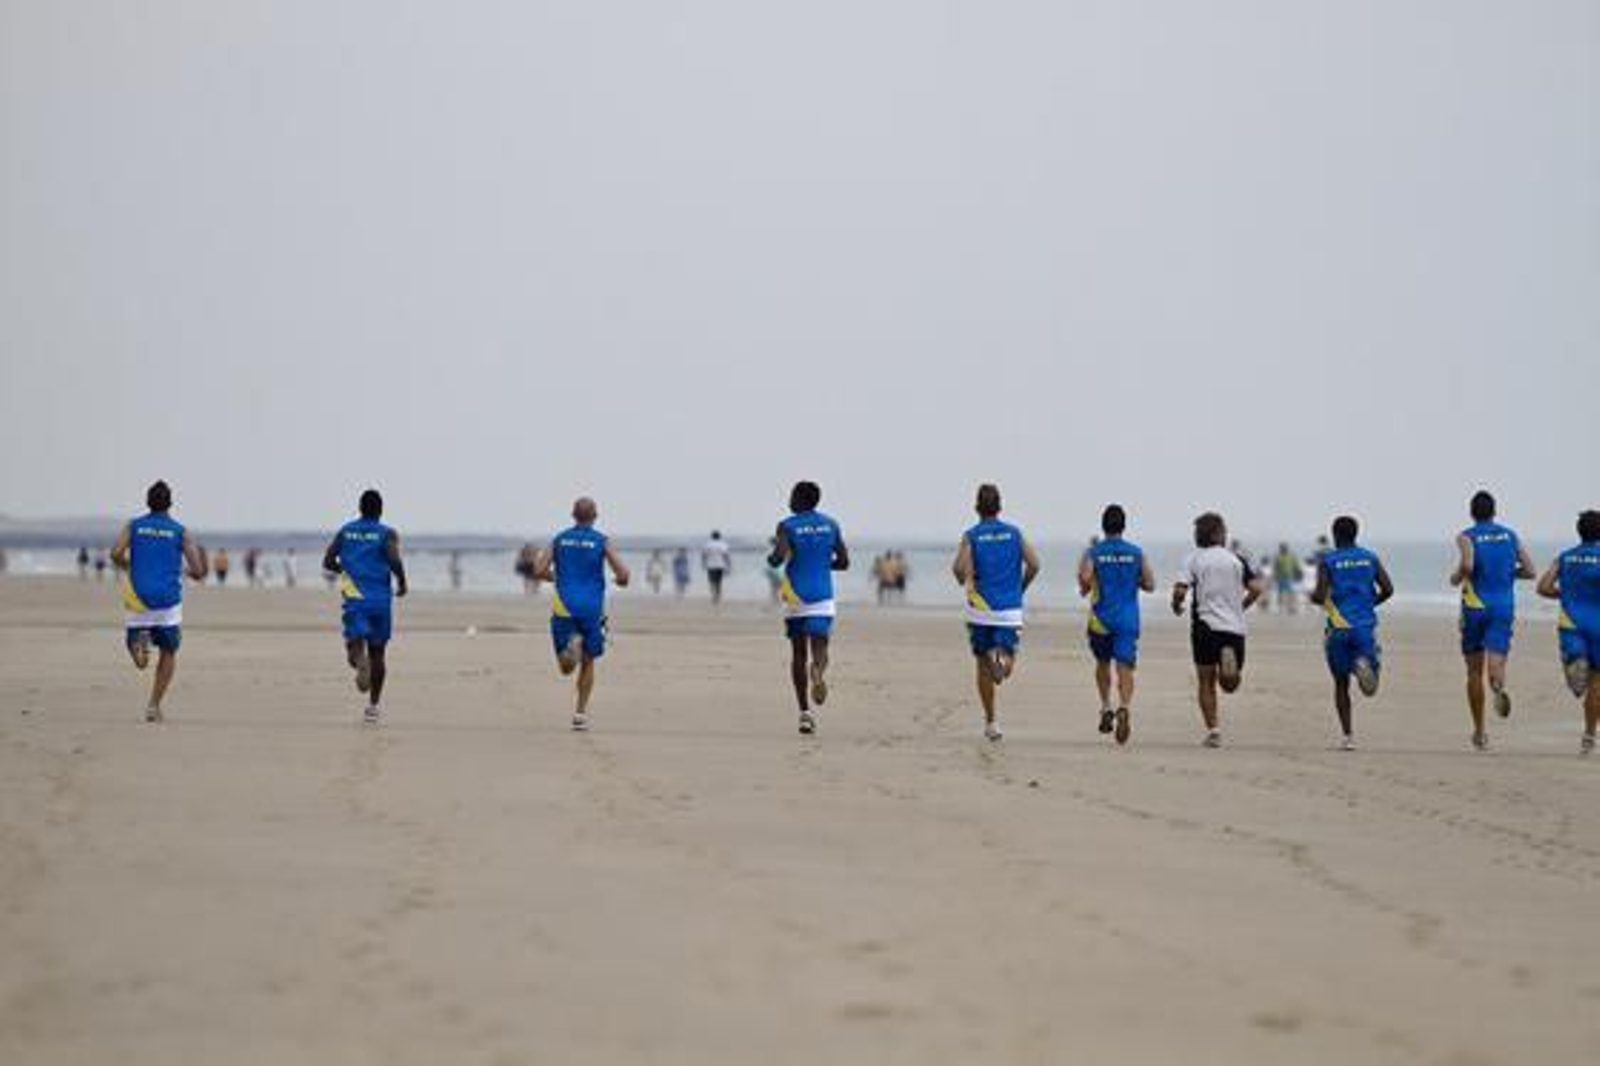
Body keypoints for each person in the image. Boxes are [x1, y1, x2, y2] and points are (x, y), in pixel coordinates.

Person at [109, 480, 208, 722]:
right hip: (167, 601)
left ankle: (138, 646)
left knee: (139, 655)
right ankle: (153, 705)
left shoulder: (134, 526)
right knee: (169, 651)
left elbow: (114, 553)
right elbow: (198, 569)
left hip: (138, 596)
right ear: (170, 504)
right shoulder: (179, 531)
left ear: (148, 502)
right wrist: (192, 572)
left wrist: (129, 566)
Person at [952, 484, 1040, 741]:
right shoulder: (1014, 534)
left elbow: (958, 568)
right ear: (999, 506)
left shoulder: (972, 535)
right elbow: (1035, 564)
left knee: (981, 667)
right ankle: (1000, 660)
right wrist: (1020, 587)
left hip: (980, 609)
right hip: (1009, 610)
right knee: (1006, 662)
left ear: (977, 507)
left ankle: (991, 722)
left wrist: (966, 578)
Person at [534, 497, 630, 731]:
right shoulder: (601, 541)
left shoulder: (559, 539)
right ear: (595, 516)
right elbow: (625, 575)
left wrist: (556, 577)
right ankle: (580, 714)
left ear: (573, 515)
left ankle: (572, 646)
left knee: (566, 667)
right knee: (588, 662)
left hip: (563, 605)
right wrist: (618, 580)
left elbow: (538, 569)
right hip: (591, 607)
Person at [1450, 490, 1536, 751]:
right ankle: (1498, 685)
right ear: (1494, 511)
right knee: (1495, 661)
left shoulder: (1467, 536)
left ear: (1471, 512)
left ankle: (1479, 732)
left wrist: (1456, 578)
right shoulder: (1510, 536)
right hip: (1503, 606)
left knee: (1473, 670)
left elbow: (1467, 566)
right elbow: (1531, 571)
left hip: (1476, 606)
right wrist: (1508, 574)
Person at [1172, 512, 1263, 747]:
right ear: (1219, 534)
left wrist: (1176, 605)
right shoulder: (1236, 560)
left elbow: (1181, 590)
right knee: (1230, 685)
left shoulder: (1192, 559)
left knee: (1205, 681)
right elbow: (1256, 589)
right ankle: (1228, 668)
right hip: (1234, 627)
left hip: (1204, 626)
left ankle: (1214, 731)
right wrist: (1240, 607)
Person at [768, 481, 849, 734]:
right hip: (823, 596)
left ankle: (805, 713)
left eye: (791, 496)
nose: (789, 501)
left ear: (799, 499)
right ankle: (818, 671)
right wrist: (823, 565)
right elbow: (844, 562)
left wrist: (773, 557)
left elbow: (778, 558)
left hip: (796, 598)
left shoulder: (787, 525)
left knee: (798, 654)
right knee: (821, 648)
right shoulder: (831, 525)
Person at [1308, 516, 1394, 750]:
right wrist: (1369, 603)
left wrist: (1313, 597)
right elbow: (1388, 589)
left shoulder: (1328, 560)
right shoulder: (1370, 558)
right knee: (1370, 683)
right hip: (1364, 625)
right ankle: (1365, 667)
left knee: (1340, 683)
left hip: (1338, 627)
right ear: (1356, 533)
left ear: (1335, 535)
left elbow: (1319, 594)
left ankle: (1348, 737)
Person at [322, 489, 408, 725]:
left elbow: (328, 561)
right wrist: (402, 581)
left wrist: (345, 571)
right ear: (380, 510)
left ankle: (360, 662)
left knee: (354, 647)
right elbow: (393, 559)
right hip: (380, 600)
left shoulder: (346, 531)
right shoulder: (387, 533)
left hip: (354, 596)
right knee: (378, 653)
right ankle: (373, 706)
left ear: (360, 508)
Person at [1078, 504, 1154, 745]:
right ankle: (1124, 706)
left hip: (1101, 619)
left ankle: (1105, 706)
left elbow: (1086, 580)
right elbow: (1150, 584)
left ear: (1104, 526)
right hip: (1127, 619)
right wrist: (1136, 580)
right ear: (1124, 526)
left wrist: (1087, 583)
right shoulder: (1136, 553)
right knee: (1125, 666)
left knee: (1102, 663)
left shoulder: (1095, 552)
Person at [1536, 510, 1600, 755]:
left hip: (1572, 623)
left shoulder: (1564, 558)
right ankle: (1589, 735)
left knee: (1579, 681)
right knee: (1597, 681)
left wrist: (1568, 595)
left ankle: (1575, 671)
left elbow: (1543, 587)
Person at [1273, 542, 1303, 614]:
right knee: (1280, 593)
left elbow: (1296, 566)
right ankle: (1280, 608)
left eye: (1284, 548)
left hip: (1290, 577)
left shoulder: (1292, 556)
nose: (1283, 549)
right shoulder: (1278, 557)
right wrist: (1275, 576)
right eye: (1282, 548)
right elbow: (1275, 568)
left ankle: (1291, 607)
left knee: (1291, 593)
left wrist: (1299, 574)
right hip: (1280, 577)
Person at [702, 531, 731, 605]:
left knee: (711, 582)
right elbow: (726, 555)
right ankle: (717, 596)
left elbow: (704, 555)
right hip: (720, 565)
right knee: (719, 582)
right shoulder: (723, 544)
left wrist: (703, 563)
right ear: (719, 537)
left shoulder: (707, 544)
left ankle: (713, 595)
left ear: (711, 536)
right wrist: (728, 565)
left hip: (710, 566)